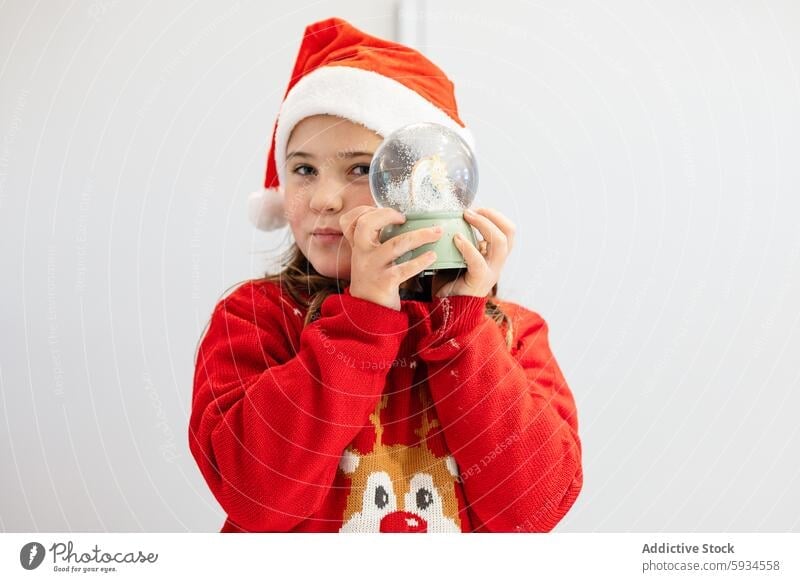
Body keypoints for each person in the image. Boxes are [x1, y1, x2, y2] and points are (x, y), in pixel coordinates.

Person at [188, 17, 582, 533]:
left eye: (358, 169)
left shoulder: (508, 333)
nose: (325, 199)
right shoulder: (255, 319)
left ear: (433, 188)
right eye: (303, 170)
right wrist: (363, 320)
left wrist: (462, 332)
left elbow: (534, 509)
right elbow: (255, 497)